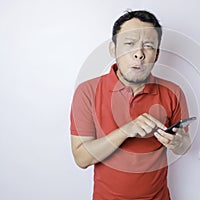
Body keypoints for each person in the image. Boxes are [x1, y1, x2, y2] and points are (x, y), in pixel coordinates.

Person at [70, 10, 191, 200]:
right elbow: (82, 159)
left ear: (157, 54)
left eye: (148, 46)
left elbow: (184, 146)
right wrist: (126, 130)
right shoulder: (87, 92)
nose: (139, 54)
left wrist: (179, 142)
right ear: (113, 49)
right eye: (129, 44)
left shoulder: (173, 92)